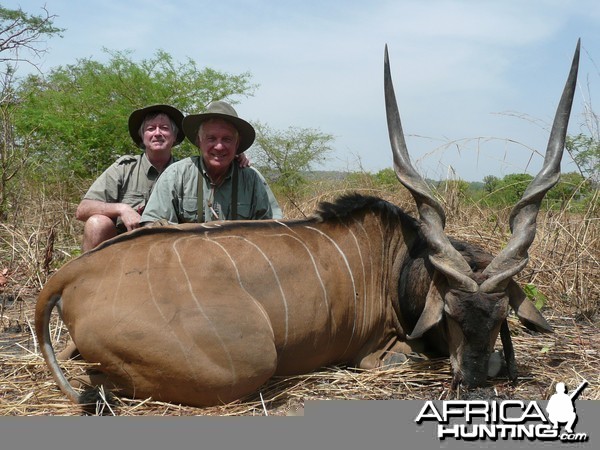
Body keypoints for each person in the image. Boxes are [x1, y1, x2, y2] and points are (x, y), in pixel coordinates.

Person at [141, 101, 280, 225]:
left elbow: (274, 229)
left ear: (237, 143)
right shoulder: (176, 175)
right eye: (211, 138)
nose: (219, 146)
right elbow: (152, 226)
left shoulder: (252, 179)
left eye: (227, 139)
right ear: (198, 141)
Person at [75, 104, 185, 252]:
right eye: (151, 129)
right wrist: (122, 209)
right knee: (97, 223)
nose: (157, 133)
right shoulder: (124, 168)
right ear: (142, 135)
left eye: (164, 128)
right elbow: (83, 209)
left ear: (174, 135)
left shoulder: (185, 172)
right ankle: (90, 274)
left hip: (169, 248)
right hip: (125, 248)